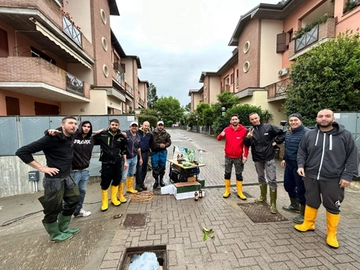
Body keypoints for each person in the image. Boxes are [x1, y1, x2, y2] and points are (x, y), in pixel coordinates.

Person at [294, 109, 359, 249]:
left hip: (333, 178)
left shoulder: (345, 135)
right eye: (321, 116)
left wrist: (348, 175)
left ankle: (331, 233)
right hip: (310, 176)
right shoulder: (309, 134)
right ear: (316, 119)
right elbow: (302, 151)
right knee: (311, 200)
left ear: (333, 118)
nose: (324, 118)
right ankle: (309, 223)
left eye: (327, 116)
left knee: (333, 205)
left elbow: (353, 157)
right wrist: (300, 165)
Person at [16, 116, 80, 242]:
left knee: (74, 199)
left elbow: (86, 131)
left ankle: (63, 227)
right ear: (62, 125)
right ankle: (54, 234)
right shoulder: (51, 138)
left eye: (75, 123)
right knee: (52, 208)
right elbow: (22, 152)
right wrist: (42, 168)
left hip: (67, 176)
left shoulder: (71, 135)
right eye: (70, 123)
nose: (74, 126)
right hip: (54, 180)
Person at [243, 112, 285, 214]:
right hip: (257, 158)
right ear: (250, 120)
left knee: (272, 179)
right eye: (252, 119)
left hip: (269, 157)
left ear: (259, 118)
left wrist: (276, 141)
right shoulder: (249, 130)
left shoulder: (268, 127)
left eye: (255, 118)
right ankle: (263, 196)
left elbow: (283, 132)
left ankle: (273, 204)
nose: (254, 120)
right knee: (261, 177)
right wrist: (248, 137)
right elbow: (246, 144)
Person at [93, 119, 127, 211]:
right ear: (109, 125)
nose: (114, 126)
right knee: (105, 182)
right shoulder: (103, 134)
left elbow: (124, 150)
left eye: (116, 125)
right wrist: (95, 132)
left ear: (118, 126)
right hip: (106, 163)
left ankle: (114, 198)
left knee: (116, 180)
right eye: (113, 124)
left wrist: (125, 161)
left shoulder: (121, 136)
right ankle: (104, 202)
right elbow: (87, 137)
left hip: (117, 162)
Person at [281, 113, 309, 223]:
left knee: (301, 189)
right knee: (288, 185)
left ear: (300, 121)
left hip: (300, 167)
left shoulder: (307, 133)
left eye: (295, 120)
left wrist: (304, 166)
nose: (293, 122)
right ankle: (294, 205)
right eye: (291, 120)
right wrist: (284, 158)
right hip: (289, 164)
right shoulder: (289, 132)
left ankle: (304, 213)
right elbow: (287, 147)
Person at [217, 114, 249, 200]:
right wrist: (221, 134)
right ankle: (227, 191)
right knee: (227, 173)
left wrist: (245, 156)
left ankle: (240, 192)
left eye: (236, 119)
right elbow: (218, 139)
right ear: (230, 121)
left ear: (238, 120)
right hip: (228, 156)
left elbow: (246, 145)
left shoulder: (244, 130)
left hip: (239, 157)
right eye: (233, 119)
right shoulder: (226, 130)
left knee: (239, 174)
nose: (234, 121)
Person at [71, 121, 95, 218]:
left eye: (88, 127)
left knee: (82, 191)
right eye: (84, 126)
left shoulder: (91, 139)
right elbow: (57, 132)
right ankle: (66, 213)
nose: (86, 128)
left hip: (85, 170)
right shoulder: (72, 138)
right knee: (71, 193)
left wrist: (96, 132)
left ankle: (78, 210)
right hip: (73, 171)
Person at [120, 121, 143, 198]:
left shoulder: (138, 136)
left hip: (134, 158)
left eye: (135, 126)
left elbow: (139, 148)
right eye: (132, 126)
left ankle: (129, 188)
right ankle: (121, 193)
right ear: (130, 127)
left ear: (138, 127)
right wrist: (121, 133)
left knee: (131, 173)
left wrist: (140, 158)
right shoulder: (125, 133)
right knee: (123, 176)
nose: (134, 127)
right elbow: (115, 132)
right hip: (126, 159)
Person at [151, 120, 171, 189]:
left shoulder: (166, 134)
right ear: (157, 126)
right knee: (155, 167)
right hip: (155, 152)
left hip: (163, 152)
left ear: (163, 126)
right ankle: (156, 181)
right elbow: (151, 143)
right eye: (159, 125)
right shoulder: (152, 133)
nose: (160, 127)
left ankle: (161, 180)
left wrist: (165, 145)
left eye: (161, 125)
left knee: (162, 167)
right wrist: (159, 145)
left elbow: (169, 142)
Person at [135, 121, 153, 192]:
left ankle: (142, 183)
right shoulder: (137, 132)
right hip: (138, 153)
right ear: (142, 125)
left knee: (144, 169)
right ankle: (138, 184)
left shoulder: (150, 135)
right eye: (145, 125)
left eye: (148, 126)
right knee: (139, 169)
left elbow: (151, 143)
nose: (146, 127)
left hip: (146, 153)